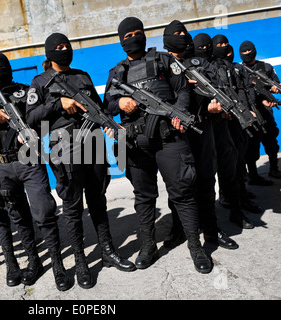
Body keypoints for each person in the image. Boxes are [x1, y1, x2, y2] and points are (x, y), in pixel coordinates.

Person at [27, 32, 136, 288]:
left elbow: (97, 108)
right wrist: (59, 105)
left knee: (98, 201)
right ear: (50, 52)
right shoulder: (39, 82)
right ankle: (81, 262)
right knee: (73, 209)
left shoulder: (82, 76)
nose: (65, 49)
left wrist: (108, 124)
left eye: (67, 45)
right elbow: (32, 118)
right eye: (59, 47)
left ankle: (107, 251)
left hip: (94, 147)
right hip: (65, 151)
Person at [103, 17, 212, 274]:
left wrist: (179, 112)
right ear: (121, 41)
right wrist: (119, 104)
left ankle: (196, 247)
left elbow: (183, 89)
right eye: (128, 34)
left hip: (169, 137)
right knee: (143, 196)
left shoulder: (164, 60)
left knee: (183, 192)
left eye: (138, 32)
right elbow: (106, 104)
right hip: (137, 142)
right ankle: (148, 246)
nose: (134, 37)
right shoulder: (117, 72)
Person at [0, 52, 67, 289]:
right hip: (0, 167)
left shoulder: (26, 91)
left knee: (43, 211)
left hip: (29, 160)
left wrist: (34, 133)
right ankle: (34, 262)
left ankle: (58, 265)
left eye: (2, 67)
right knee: (18, 216)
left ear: (9, 68)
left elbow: (43, 117)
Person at [161, 22, 238, 250]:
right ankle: (179, 228)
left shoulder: (200, 62)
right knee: (179, 184)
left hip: (203, 129)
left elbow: (216, 87)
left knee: (205, 181)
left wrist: (212, 108)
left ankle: (212, 230)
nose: (182, 36)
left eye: (184, 32)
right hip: (176, 132)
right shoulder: (161, 64)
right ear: (166, 39)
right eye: (177, 34)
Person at [210, 34, 255, 229]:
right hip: (222, 123)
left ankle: (241, 197)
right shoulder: (212, 68)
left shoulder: (232, 67)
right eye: (219, 45)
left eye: (225, 44)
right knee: (229, 165)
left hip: (238, 121)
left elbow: (241, 90)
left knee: (239, 161)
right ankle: (230, 201)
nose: (223, 47)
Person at [239, 40, 281, 182]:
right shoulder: (239, 70)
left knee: (271, 140)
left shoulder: (266, 67)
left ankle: (274, 168)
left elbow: (276, 85)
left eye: (249, 51)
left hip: (266, 111)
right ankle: (252, 174)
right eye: (244, 52)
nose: (247, 54)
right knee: (251, 144)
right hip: (251, 112)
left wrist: (274, 90)